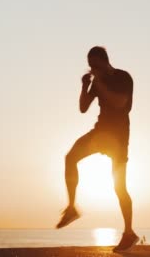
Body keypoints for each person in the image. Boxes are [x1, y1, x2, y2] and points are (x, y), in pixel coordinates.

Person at [56, 46, 139, 252]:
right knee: (70, 157)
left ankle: (129, 233)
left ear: (104, 61)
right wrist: (84, 87)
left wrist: (100, 83)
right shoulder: (96, 82)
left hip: (118, 139)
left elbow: (120, 103)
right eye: (90, 65)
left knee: (119, 187)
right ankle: (72, 208)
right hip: (100, 133)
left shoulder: (123, 77)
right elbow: (83, 108)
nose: (92, 69)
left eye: (95, 64)